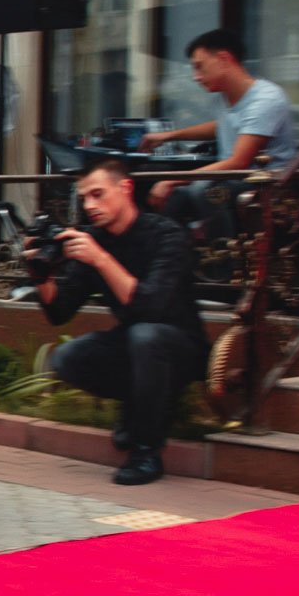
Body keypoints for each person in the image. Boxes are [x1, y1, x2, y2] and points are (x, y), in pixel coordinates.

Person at [31, 159, 207, 487]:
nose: (89, 206)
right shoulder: (96, 238)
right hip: (134, 343)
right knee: (69, 357)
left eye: (97, 194)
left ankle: (146, 452)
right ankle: (140, 405)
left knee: (145, 336)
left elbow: (150, 305)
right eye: (84, 198)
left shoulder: (167, 235)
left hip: (181, 347)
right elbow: (60, 312)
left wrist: (101, 259)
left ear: (125, 188)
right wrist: (41, 276)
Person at [138, 30, 299, 238]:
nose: (196, 77)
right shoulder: (222, 96)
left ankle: (224, 255)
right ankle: (175, 253)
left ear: (224, 59)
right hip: (231, 179)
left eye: (200, 66)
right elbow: (222, 125)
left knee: (204, 190)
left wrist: (172, 179)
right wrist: (168, 136)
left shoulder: (266, 99)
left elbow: (239, 162)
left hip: (263, 184)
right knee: (172, 195)